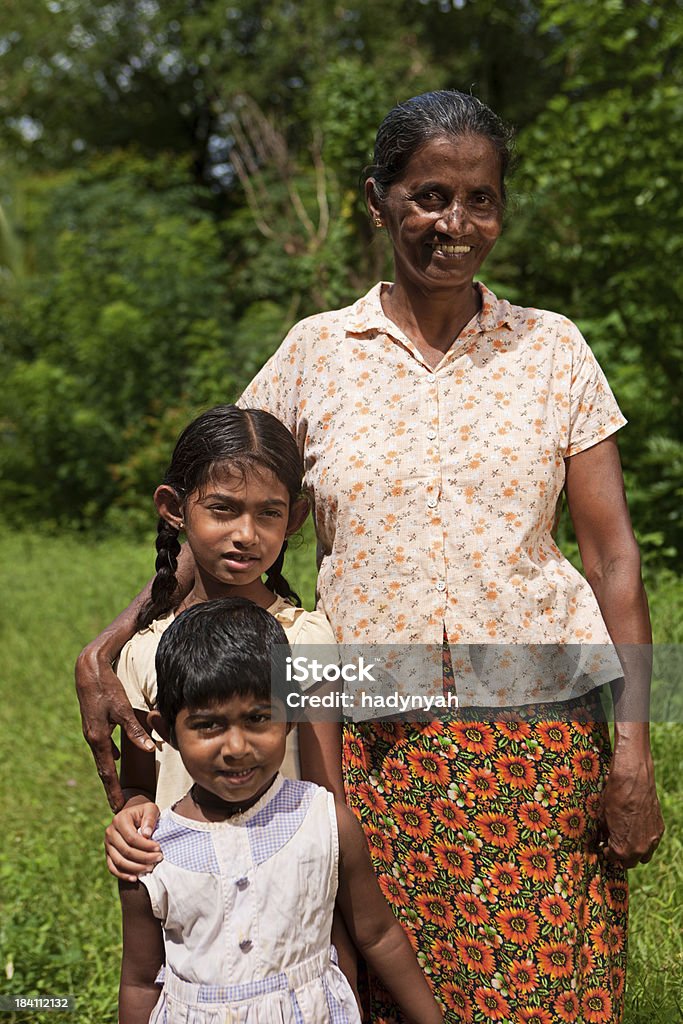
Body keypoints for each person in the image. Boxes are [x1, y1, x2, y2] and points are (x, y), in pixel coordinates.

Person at [79, 90, 664, 1023]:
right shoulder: (317, 353)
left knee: (550, 982)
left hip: (540, 731)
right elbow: (226, 517)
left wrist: (631, 756)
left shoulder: (552, 349)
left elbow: (614, 560)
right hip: (366, 735)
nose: (455, 223)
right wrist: (111, 643)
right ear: (378, 199)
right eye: (430, 195)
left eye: (480, 200)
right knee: (380, 976)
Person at [118, 597, 443, 1024]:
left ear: (290, 715)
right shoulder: (149, 854)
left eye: (258, 718)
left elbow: (378, 934)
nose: (236, 747)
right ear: (166, 732)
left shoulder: (325, 822)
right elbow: (140, 983)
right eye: (208, 725)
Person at [105, 404, 342, 877]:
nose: (246, 535)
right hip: (189, 902)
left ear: (294, 519)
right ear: (174, 508)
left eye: (268, 513)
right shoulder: (142, 651)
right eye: (223, 509)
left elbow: (326, 797)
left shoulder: (306, 640)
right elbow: (139, 788)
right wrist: (128, 819)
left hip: (292, 886)